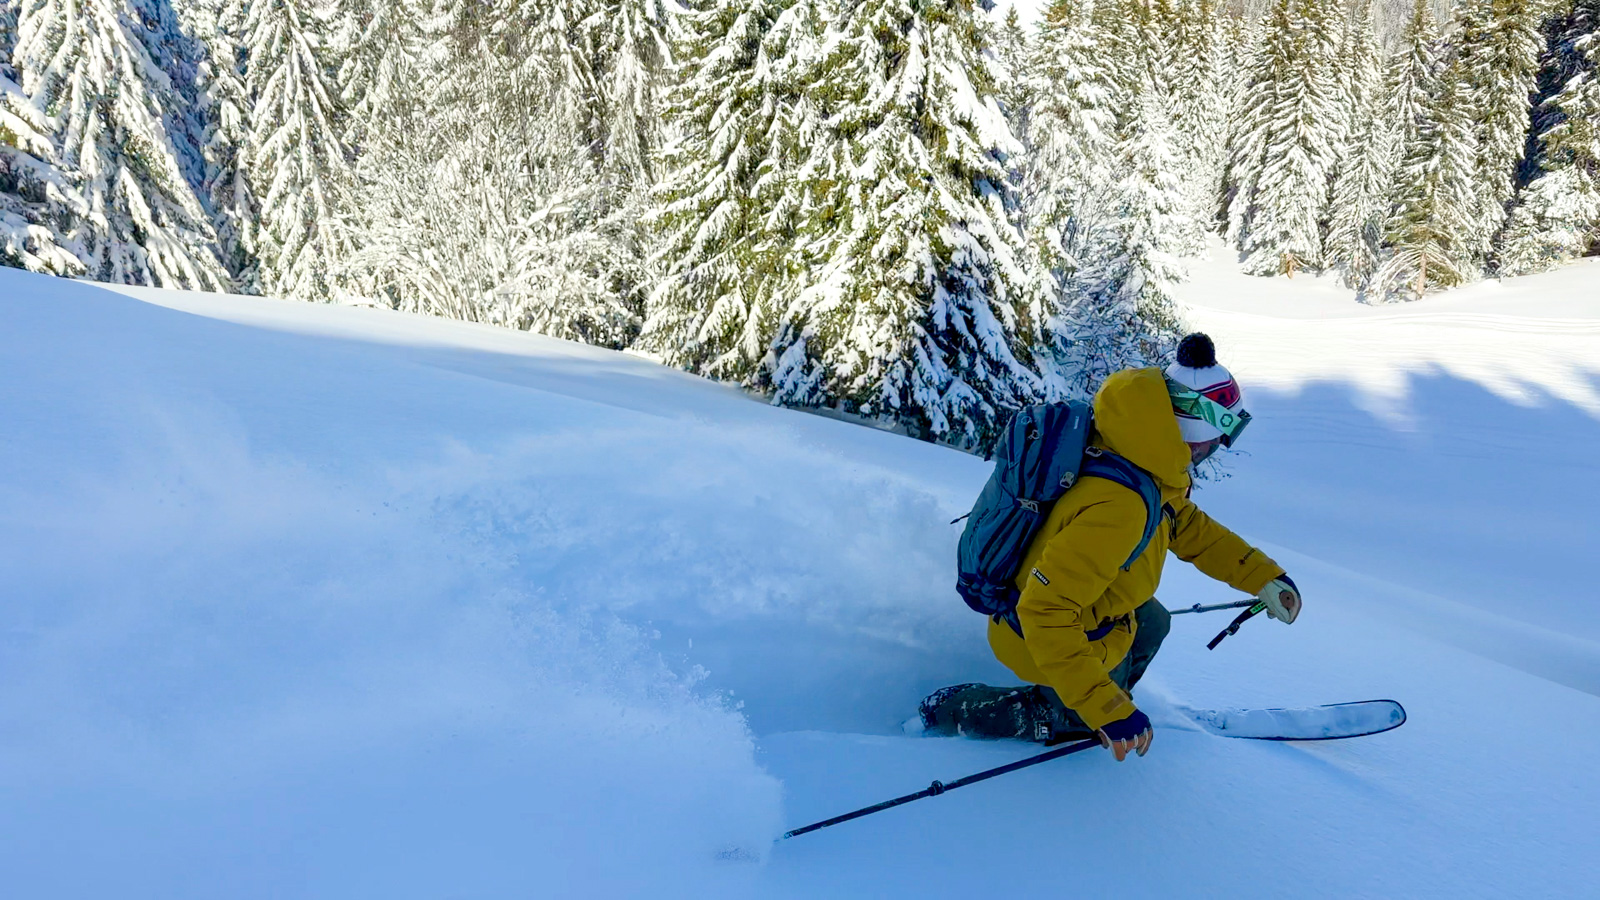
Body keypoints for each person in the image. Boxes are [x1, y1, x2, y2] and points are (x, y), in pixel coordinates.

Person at [920, 333, 1303, 761]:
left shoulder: (1136, 447)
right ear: (1199, 431)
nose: (1216, 449)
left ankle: (1095, 695)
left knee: (1153, 621)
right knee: (1080, 715)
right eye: (1220, 438)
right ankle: (958, 711)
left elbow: (1186, 525)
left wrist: (1261, 577)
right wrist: (1106, 709)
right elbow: (1044, 611)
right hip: (1034, 632)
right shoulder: (1121, 507)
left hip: (1089, 605)